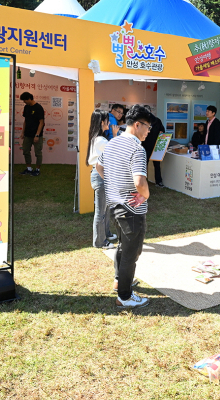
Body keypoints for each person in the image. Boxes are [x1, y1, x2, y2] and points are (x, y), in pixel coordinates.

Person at [96, 104, 152, 310]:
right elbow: (139, 182)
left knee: (123, 246)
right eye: (147, 127)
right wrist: (145, 195)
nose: (148, 132)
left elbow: (99, 167)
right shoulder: (137, 148)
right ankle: (125, 296)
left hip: (115, 205)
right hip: (131, 210)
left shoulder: (112, 143)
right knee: (132, 252)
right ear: (137, 125)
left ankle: (120, 281)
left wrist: (114, 185)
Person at [87, 110, 117, 250]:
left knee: (105, 209)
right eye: (107, 120)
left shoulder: (97, 138)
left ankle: (106, 234)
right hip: (101, 176)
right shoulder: (100, 140)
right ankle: (100, 241)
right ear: (102, 122)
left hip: (100, 176)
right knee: (101, 211)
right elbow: (102, 163)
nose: (109, 123)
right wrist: (107, 179)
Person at [19, 92, 45, 177]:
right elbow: (25, 121)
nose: (24, 102)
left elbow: (41, 122)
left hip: (37, 135)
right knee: (25, 151)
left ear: (29, 99)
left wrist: (37, 135)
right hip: (27, 134)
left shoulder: (38, 108)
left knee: (38, 153)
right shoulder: (26, 107)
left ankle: (37, 170)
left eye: (25, 100)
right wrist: (23, 132)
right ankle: (29, 169)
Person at [141, 109, 166, 187]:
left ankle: (158, 181)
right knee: (144, 165)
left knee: (157, 165)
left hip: (156, 147)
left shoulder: (157, 120)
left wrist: (161, 132)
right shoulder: (143, 121)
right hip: (145, 146)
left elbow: (163, 129)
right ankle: (142, 182)